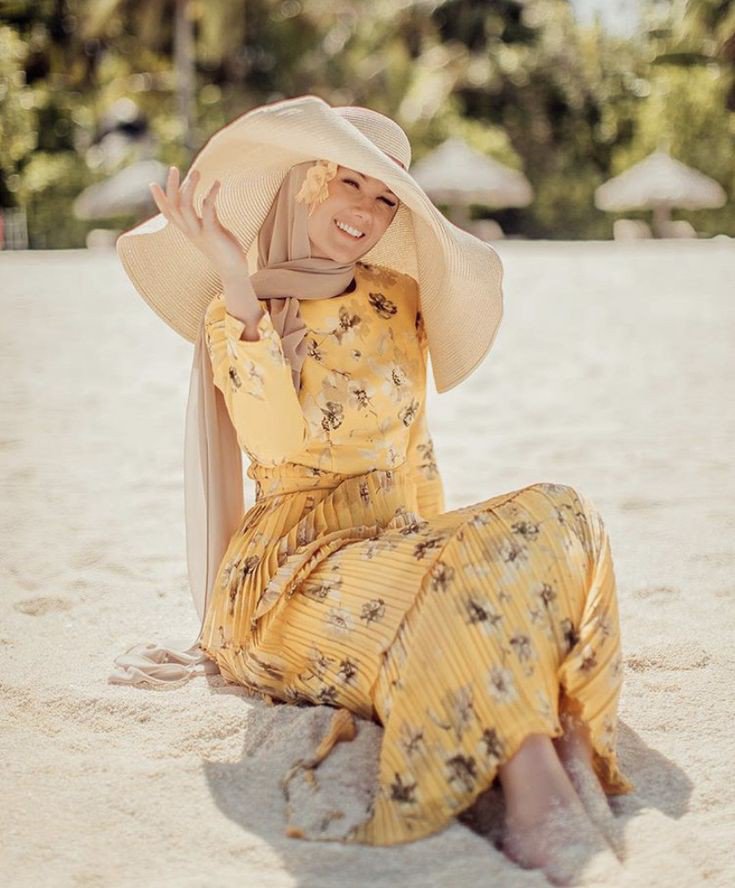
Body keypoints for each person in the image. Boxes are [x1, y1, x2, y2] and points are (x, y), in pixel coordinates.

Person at [111, 96, 634, 884]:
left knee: (561, 513)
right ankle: (537, 794)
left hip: (393, 544)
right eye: (348, 183)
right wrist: (235, 277)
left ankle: (530, 729)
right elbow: (274, 442)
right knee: (444, 601)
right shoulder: (239, 308)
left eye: (386, 197)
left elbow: (414, 451)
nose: (365, 210)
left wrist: (441, 552)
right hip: (286, 578)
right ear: (305, 184)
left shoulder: (400, 296)